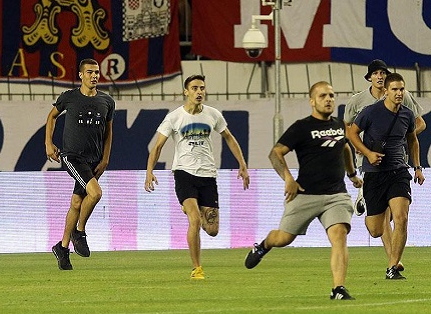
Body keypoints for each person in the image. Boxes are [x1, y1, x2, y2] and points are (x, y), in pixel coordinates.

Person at [245, 81, 362, 300]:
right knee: (283, 239)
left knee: (339, 236)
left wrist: (352, 174)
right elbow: (275, 153)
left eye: (331, 95)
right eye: (322, 96)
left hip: (336, 195)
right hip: (305, 194)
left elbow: (345, 147)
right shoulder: (302, 127)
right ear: (312, 101)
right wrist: (288, 179)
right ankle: (263, 245)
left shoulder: (339, 125)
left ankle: (338, 289)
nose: (328, 99)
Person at [144, 74, 249, 280]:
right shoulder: (174, 117)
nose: (199, 92)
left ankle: (192, 208)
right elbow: (157, 146)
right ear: (186, 91)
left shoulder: (213, 115)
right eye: (194, 88)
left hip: (208, 175)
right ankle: (197, 268)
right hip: (184, 173)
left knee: (212, 230)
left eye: (202, 88)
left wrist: (242, 164)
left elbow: (228, 137)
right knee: (194, 219)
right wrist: (149, 171)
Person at [344, 59, 424, 273]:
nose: (399, 93)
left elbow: (414, 138)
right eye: (395, 89)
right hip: (372, 170)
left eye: (401, 89)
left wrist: (417, 167)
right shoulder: (367, 108)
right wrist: (366, 151)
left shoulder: (407, 112)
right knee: (376, 229)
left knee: (401, 216)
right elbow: (350, 130)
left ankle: (392, 265)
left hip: (399, 170)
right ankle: (366, 200)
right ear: (386, 90)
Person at [46, 58, 115, 271]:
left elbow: (109, 131)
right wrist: (49, 143)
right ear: (81, 75)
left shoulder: (107, 101)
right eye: (90, 72)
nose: (94, 76)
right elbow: (51, 116)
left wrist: (105, 158)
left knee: (77, 202)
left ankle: (63, 248)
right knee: (95, 194)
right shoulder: (70, 97)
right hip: (72, 156)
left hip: (94, 159)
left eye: (96, 72)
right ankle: (79, 232)